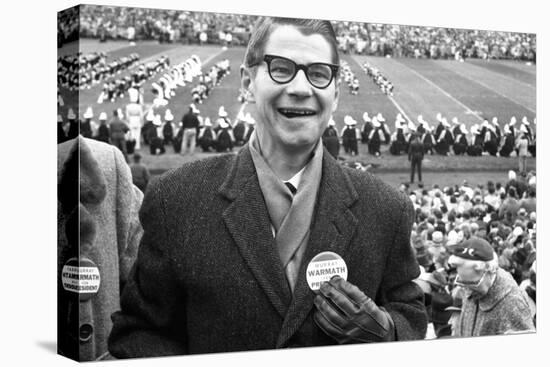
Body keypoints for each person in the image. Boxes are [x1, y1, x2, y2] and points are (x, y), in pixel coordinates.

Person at [109, 17, 426, 358]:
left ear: (335, 93)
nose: (302, 88)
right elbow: (139, 332)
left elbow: (410, 311)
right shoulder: (176, 199)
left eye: (319, 73)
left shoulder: (387, 208)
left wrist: (388, 333)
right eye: (281, 68)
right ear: (247, 82)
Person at [448, 237, 534, 336]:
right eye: (463, 283)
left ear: (489, 271)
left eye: (473, 283)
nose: (468, 290)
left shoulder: (512, 303)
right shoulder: (471, 289)